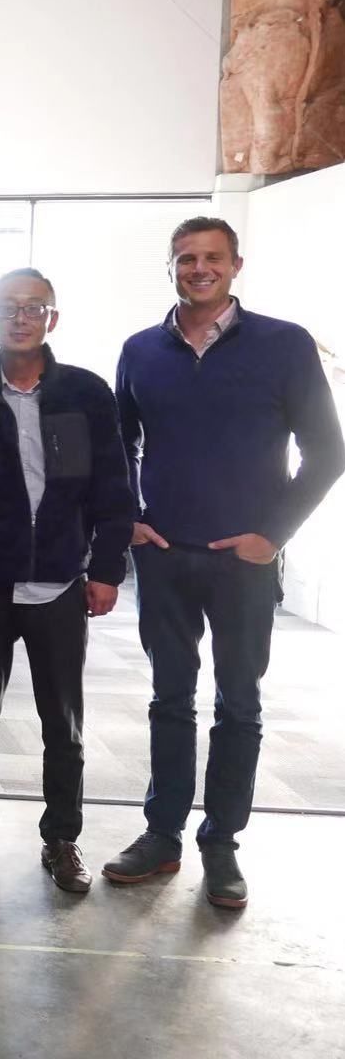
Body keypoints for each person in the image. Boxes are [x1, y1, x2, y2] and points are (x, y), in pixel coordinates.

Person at [105, 217, 344, 908]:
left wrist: (272, 536)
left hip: (244, 561)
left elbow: (328, 451)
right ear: (171, 266)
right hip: (164, 558)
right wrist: (130, 520)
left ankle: (221, 842)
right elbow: (119, 445)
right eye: (186, 258)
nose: (199, 268)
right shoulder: (141, 350)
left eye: (212, 257)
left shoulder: (284, 344)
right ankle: (163, 835)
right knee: (168, 700)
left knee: (238, 703)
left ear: (236, 265)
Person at [0, 268, 134, 893]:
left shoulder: (86, 393)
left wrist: (107, 569)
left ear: (51, 318)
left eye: (34, 307)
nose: (21, 317)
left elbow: (114, 487)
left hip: (60, 584)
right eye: (8, 306)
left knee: (63, 723)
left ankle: (62, 837)